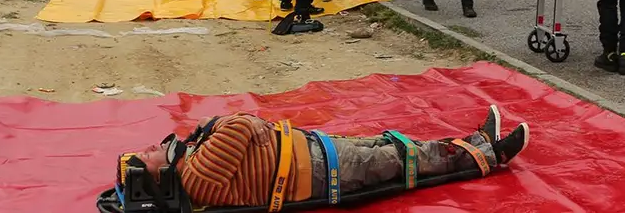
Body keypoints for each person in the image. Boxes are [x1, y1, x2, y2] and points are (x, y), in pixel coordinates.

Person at [125, 104, 530, 210]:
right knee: (408, 161)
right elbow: (243, 126)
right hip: (322, 170)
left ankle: (475, 140)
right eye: (146, 156)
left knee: (400, 146)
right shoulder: (195, 176)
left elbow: (242, 132)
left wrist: (215, 130)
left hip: (318, 151)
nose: (149, 148)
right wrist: (214, 123)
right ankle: (491, 154)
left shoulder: (196, 157)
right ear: (157, 178)